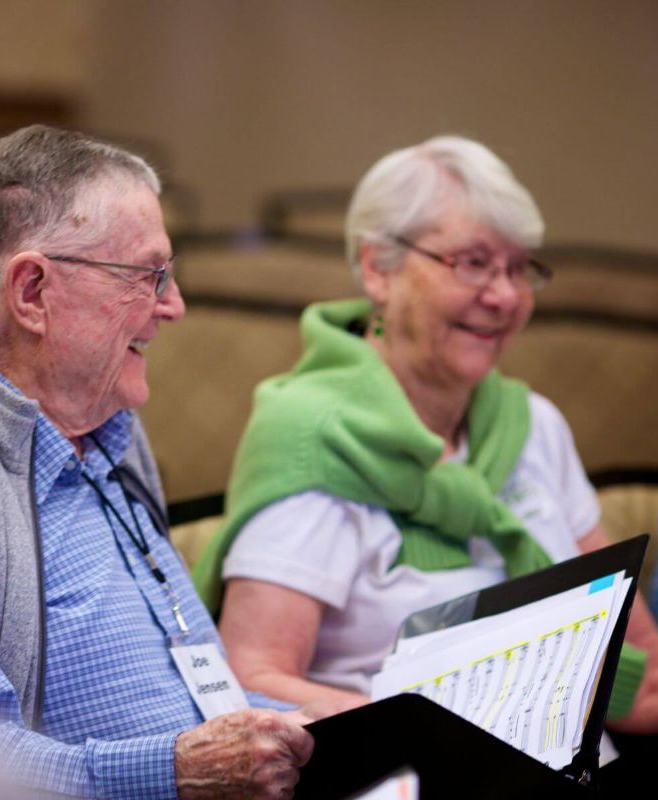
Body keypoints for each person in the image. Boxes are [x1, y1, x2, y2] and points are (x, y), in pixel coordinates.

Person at [0, 125, 314, 799]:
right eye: (148, 276)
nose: (175, 306)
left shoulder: (109, 429)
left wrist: (293, 727)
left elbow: (187, 687)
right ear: (33, 292)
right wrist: (177, 772)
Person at [195, 135, 658, 735]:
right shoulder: (314, 441)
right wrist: (442, 735)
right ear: (376, 268)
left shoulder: (532, 426)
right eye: (471, 262)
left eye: (520, 268)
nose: (505, 296)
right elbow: (253, 677)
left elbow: (641, 673)